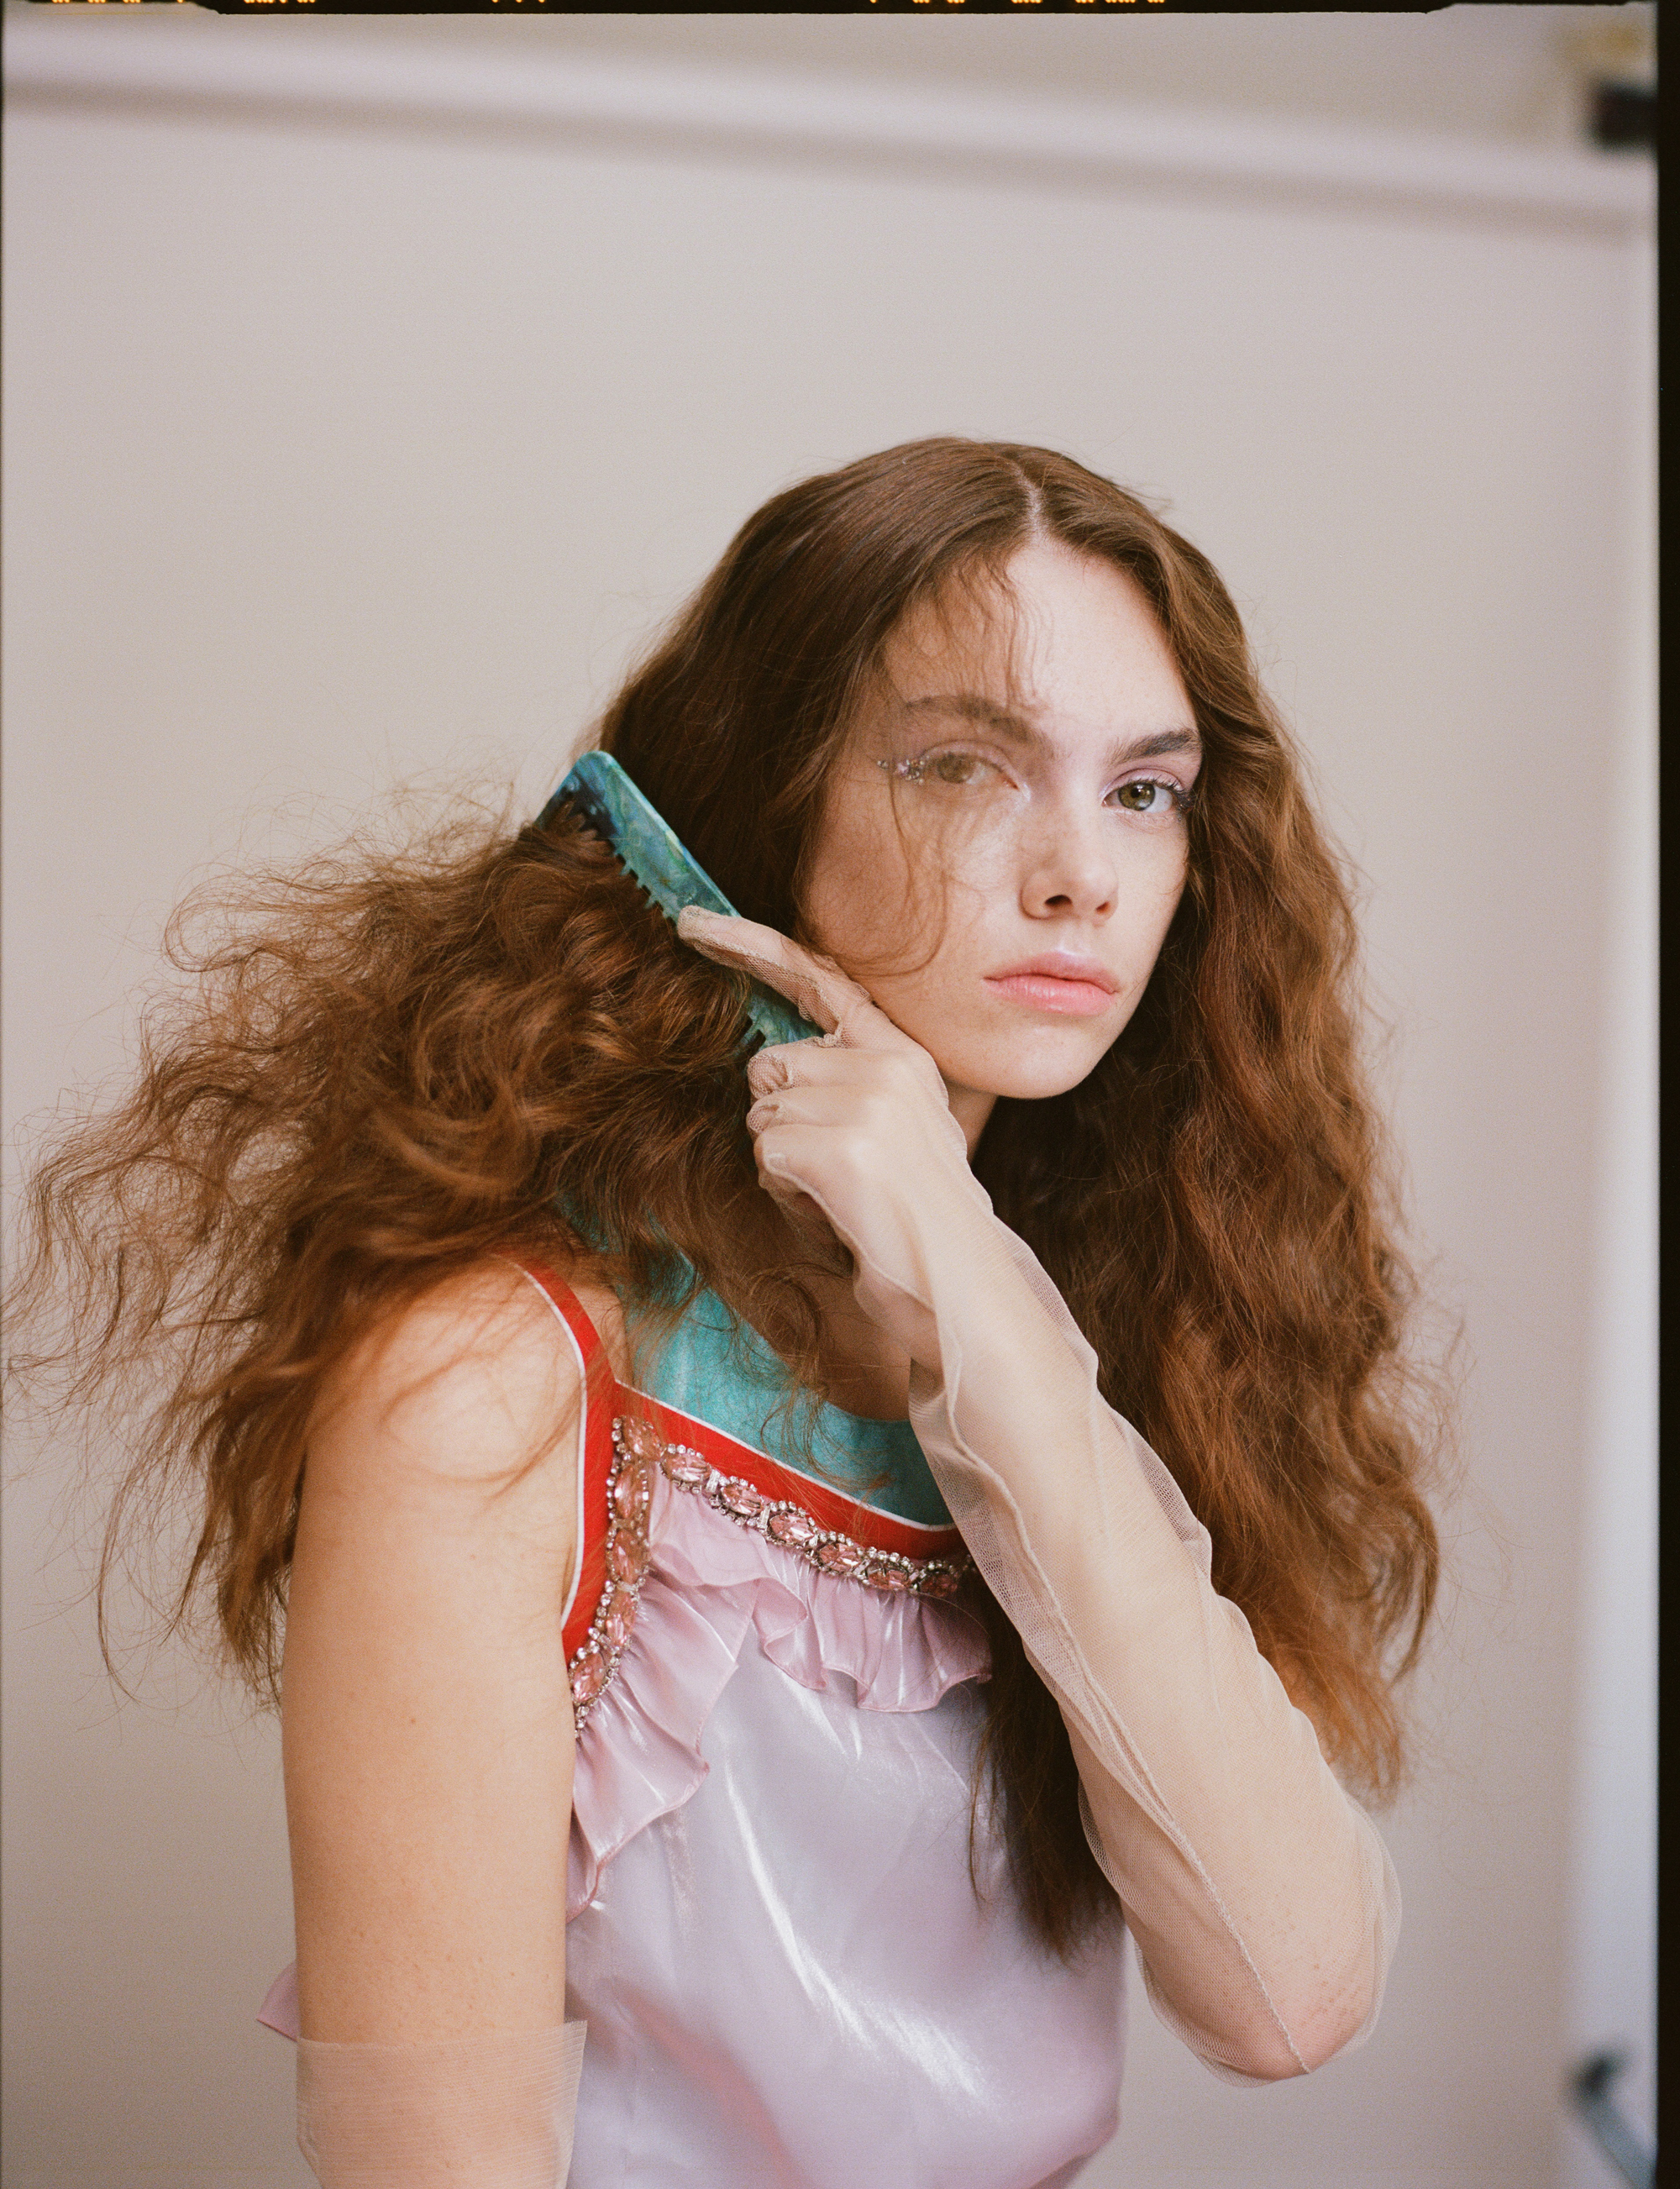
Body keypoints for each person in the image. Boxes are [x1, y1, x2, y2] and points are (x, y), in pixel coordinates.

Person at [9, 439, 1442, 2188]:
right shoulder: (495, 1380)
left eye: (1144, 789)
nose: (1082, 871)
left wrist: (965, 1276)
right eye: (963, 765)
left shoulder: (1094, 1313)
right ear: (772, 794)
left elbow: (1293, 1996)